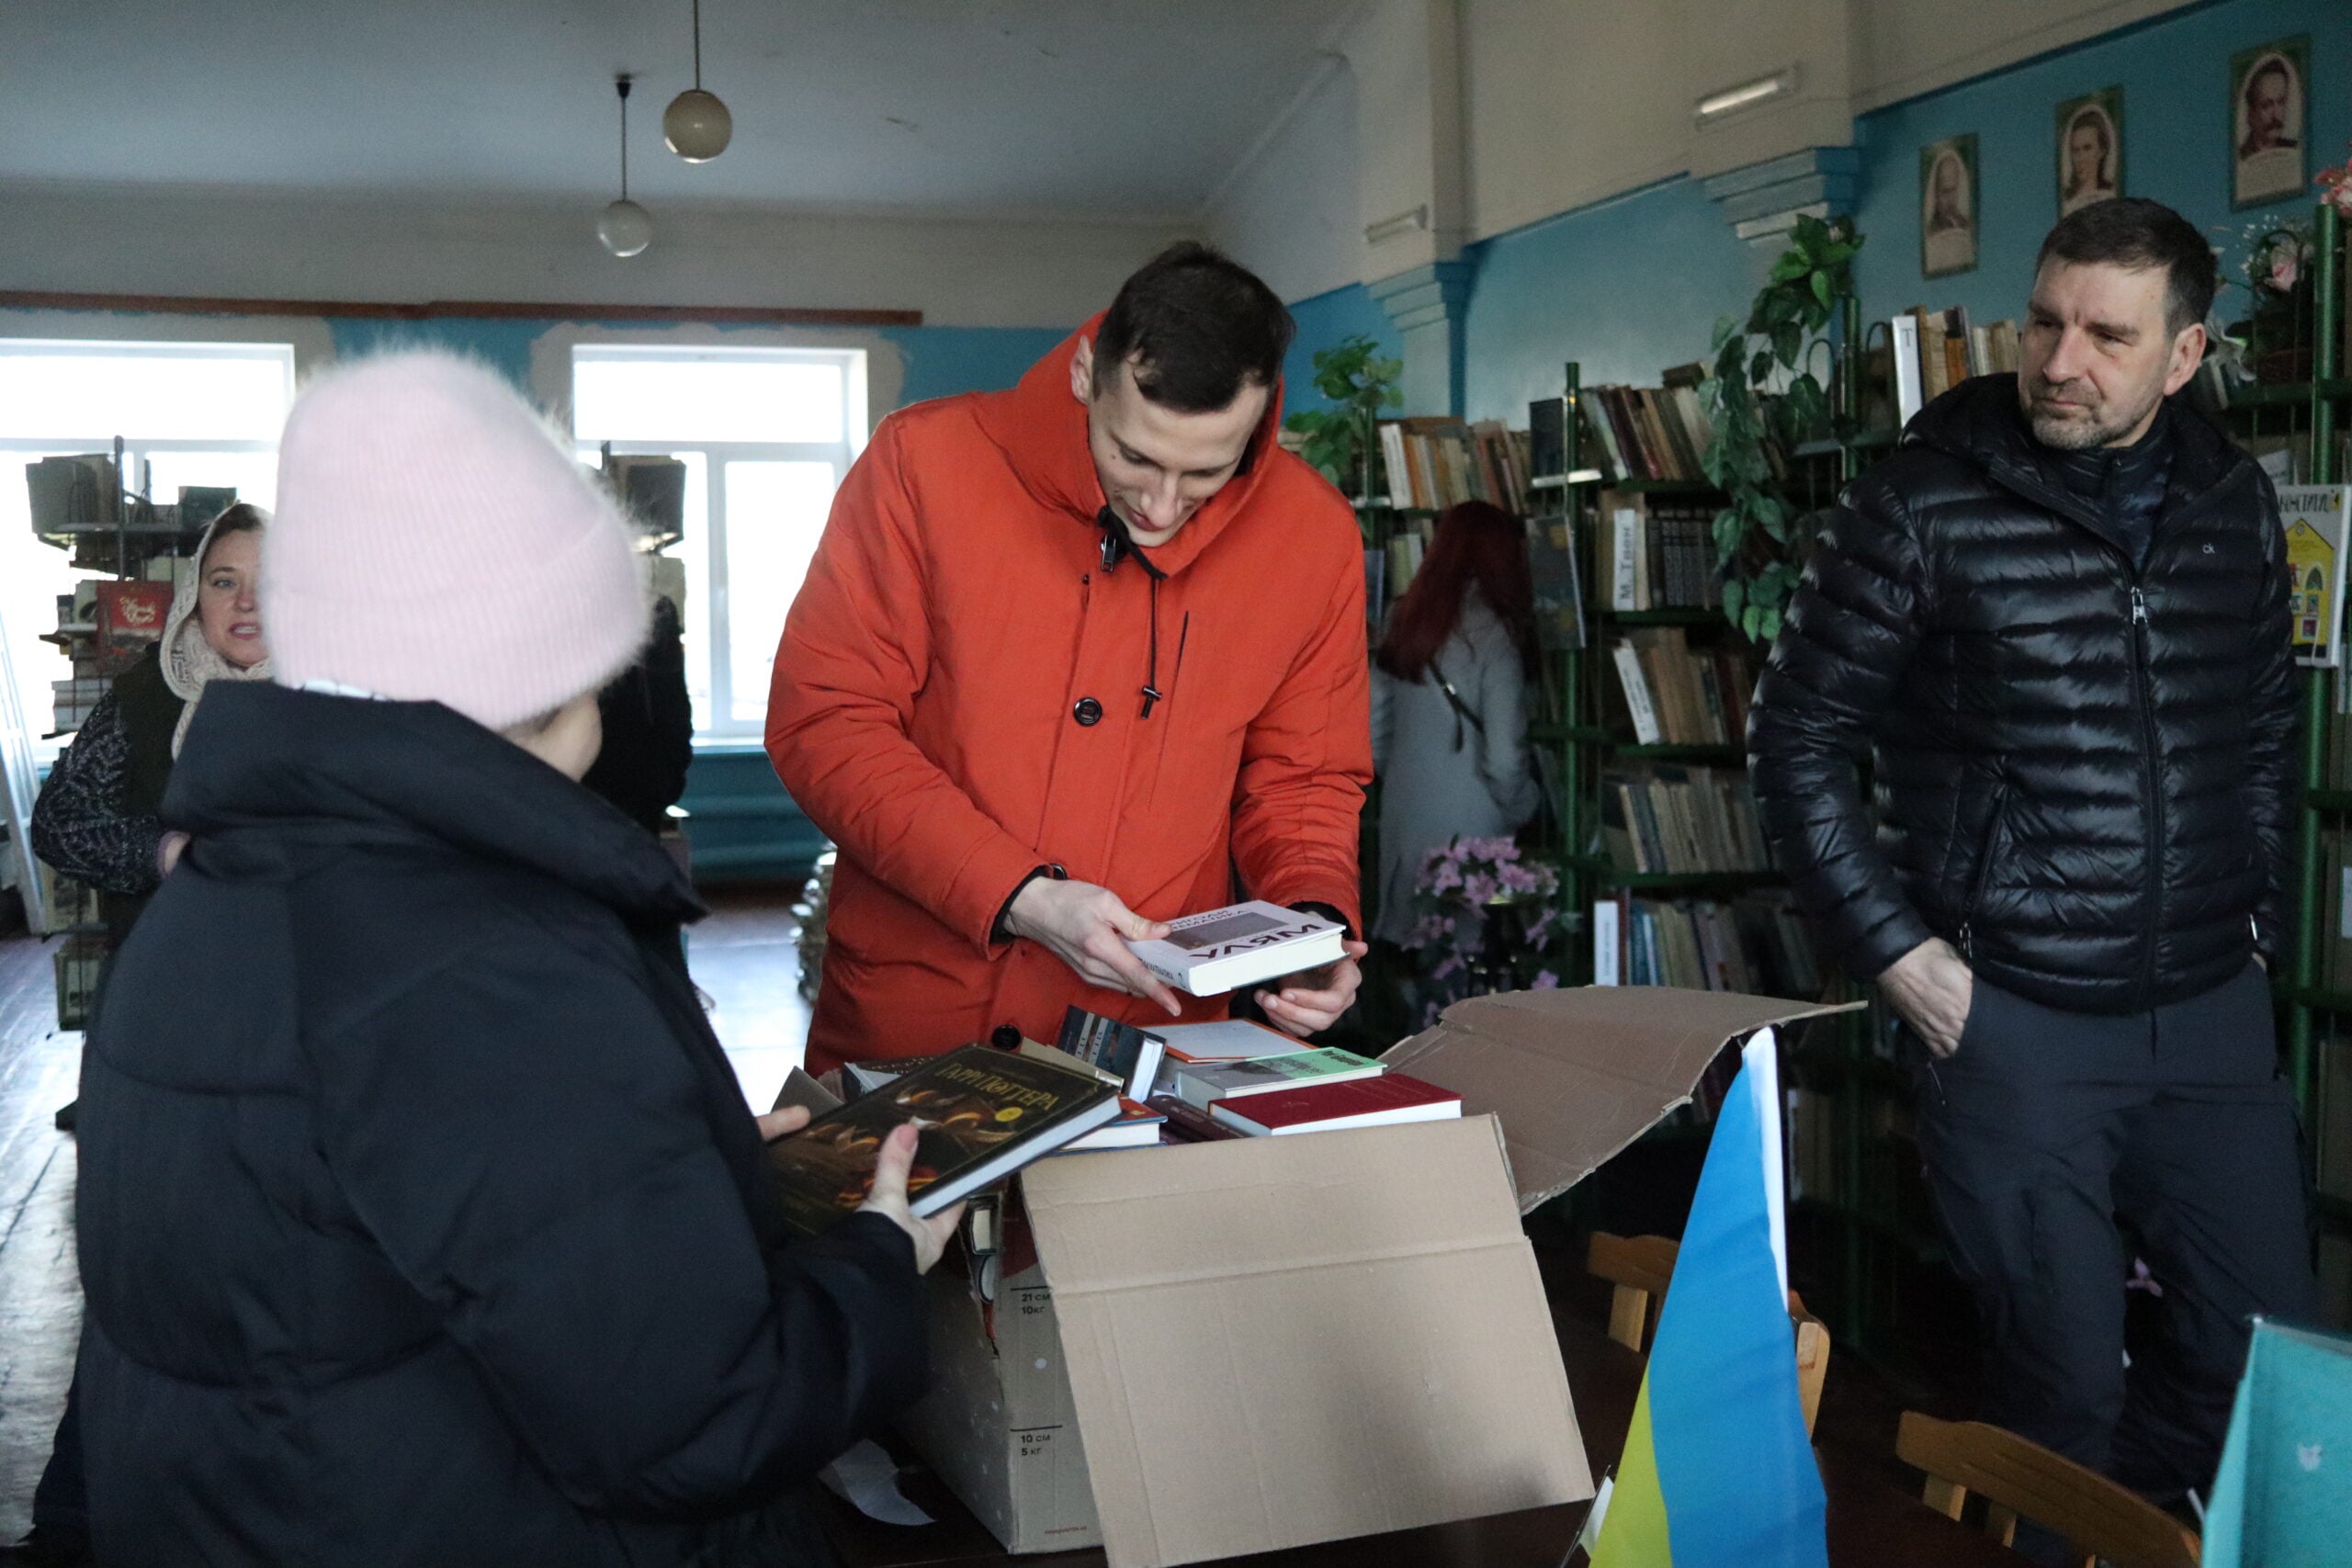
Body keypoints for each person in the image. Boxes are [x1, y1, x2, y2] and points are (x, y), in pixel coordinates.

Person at [71, 353, 956, 1567]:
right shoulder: (497, 954)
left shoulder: (224, 883)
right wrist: (879, 1258)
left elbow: (384, 1213)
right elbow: (700, 1419)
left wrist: (671, 1159)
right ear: (561, 675)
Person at [1748, 198, 2317, 1508]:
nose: (2062, 361)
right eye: (2047, 321)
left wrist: (2258, 924)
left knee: (2264, 1353)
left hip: (2208, 1013)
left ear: (2185, 355)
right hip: (2015, 1019)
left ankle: (2138, 1537)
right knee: (2060, 1384)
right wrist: (1905, 959)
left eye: (2108, 335)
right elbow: (1796, 738)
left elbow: (2263, 724)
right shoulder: (1920, 500)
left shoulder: (2232, 498)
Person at [767, 243, 1373, 1079]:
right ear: (1087, 372)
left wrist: (1309, 926)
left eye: (1205, 472)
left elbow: (1305, 779)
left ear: (1264, 413)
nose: (1162, 507)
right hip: (917, 1018)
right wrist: (1021, 897)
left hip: (1150, 1038)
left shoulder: (1314, 535)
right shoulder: (921, 466)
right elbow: (826, 723)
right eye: (1134, 456)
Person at [8, 504, 270, 1567]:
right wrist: (163, 852)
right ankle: (78, 1518)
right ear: (192, 601)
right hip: (162, 1031)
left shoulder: (352, 707)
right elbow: (59, 818)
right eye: (223, 581)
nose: (247, 602)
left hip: (296, 1037)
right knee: (139, 1267)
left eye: (274, 578)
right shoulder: (146, 694)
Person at [1368, 500, 1541, 943]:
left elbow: (1373, 730)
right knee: (1462, 970)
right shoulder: (1495, 636)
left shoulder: (1401, 619)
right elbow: (1504, 758)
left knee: (1412, 961)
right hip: (1473, 827)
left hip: (1405, 817)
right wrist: (1526, 806)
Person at [2238, 56, 2297, 159]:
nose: (2276, 114)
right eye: (2266, 105)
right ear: (2251, 112)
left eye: (2281, 102)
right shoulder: (2241, 156)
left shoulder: (2294, 148)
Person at [2061, 108, 2118, 215]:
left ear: (2102, 150)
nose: (2080, 158)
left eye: (2087, 148)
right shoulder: (2068, 204)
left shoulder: (2109, 197)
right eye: (2075, 150)